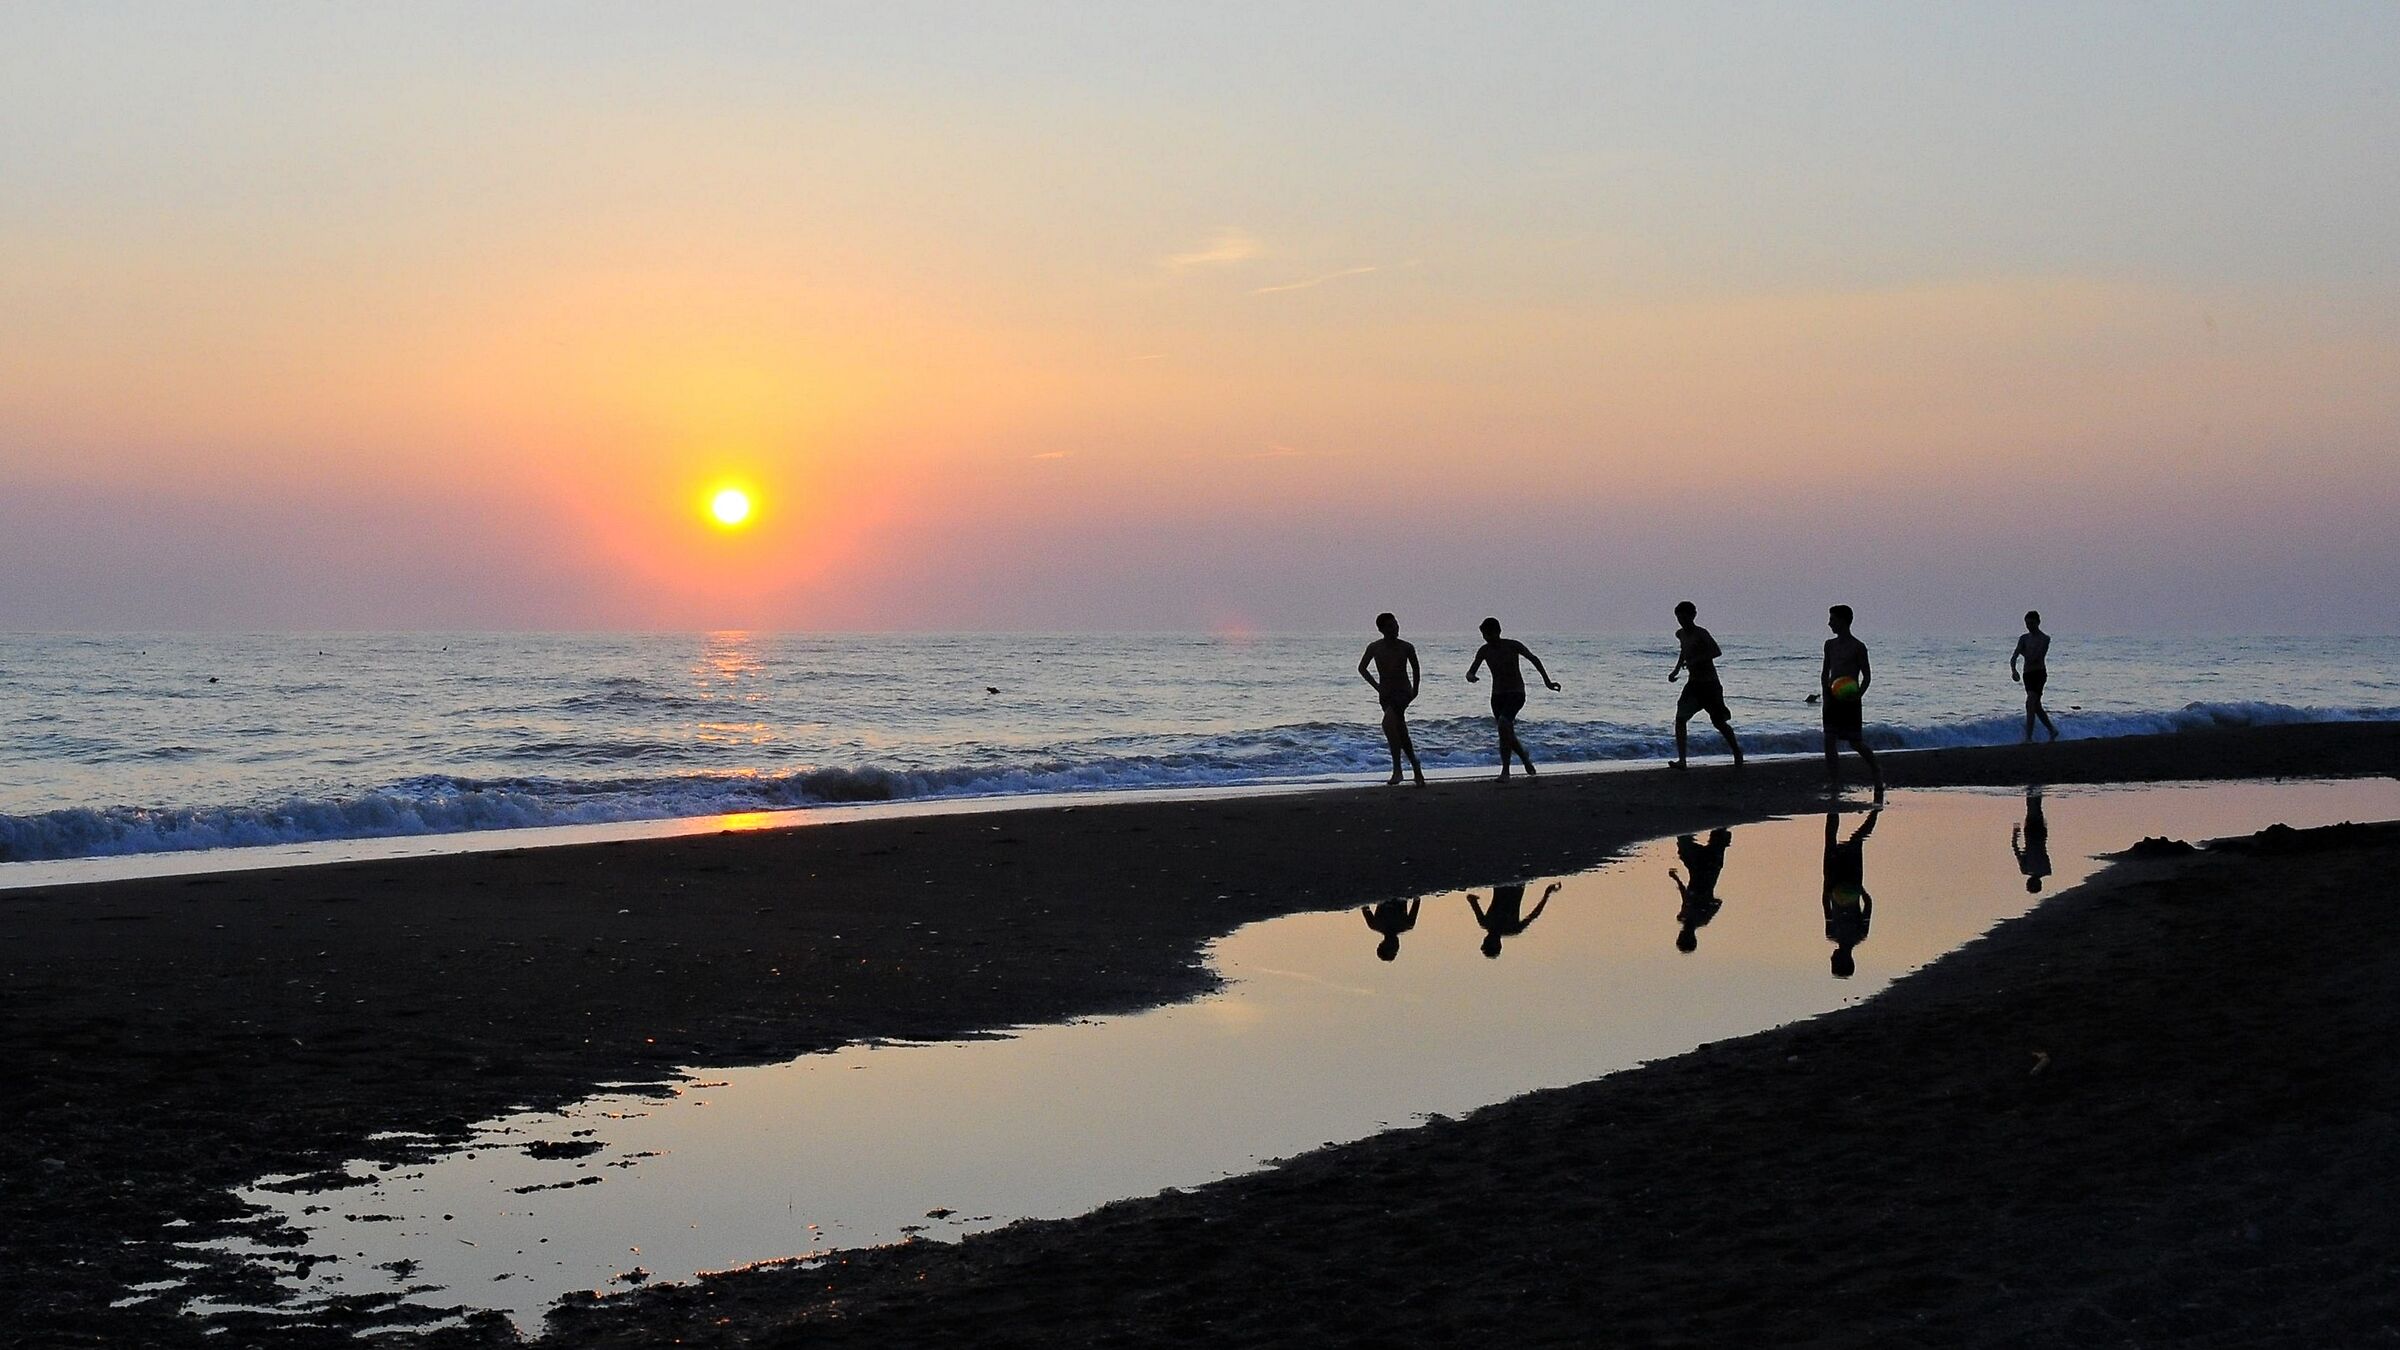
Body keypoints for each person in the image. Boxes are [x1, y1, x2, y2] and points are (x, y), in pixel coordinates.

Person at [1465, 617, 1559, 780]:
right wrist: (1471, 676)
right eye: (1484, 635)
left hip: (1516, 692)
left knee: (1503, 723)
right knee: (1505, 732)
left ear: (1498, 632)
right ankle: (1522, 760)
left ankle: (1507, 771)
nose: (1487, 638)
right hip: (1497, 695)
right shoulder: (1484, 650)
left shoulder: (1512, 645)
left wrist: (1547, 681)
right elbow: (1471, 670)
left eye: (1489, 634)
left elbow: (1533, 659)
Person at [1667, 601, 1744, 770]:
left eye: (1685, 617)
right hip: (1693, 684)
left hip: (1710, 684)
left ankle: (1737, 752)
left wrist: (1696, 659)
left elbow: (1716, 651)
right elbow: (1683, 651)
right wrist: (1676, 670)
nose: (1682, 621)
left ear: (1693, 616)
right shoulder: (1680, 634)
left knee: (1719, 722)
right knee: (1680, 718)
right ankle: (1682, 760)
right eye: (1679, 617)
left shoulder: (1701, 633)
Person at [1820, 605, 1884, 801]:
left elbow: (1866, 676)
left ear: (1843, 621)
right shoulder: (1829, 645)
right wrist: (1825, 693)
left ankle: (1877, 772)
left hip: (1850, 700)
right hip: (1831, 699)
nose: (1829, 623)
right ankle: (1835, 781)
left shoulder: (1858, 647)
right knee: (1829, 741)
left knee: (1855, 742)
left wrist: (1858, 695)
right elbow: (1825, 672)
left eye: (1833, 619)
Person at [1356, 613, 1427, 787]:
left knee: (1388, 724)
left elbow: (1416, 668)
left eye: (1395, 624)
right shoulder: (1374, 647)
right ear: (1381, 629)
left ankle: (1397, 769)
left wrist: (1415, 689)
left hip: (1403, 692)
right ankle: (1416, 767)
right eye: (1390, 626)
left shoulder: (1406, 647)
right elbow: (1362, 668)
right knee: (1401, 731)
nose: (1394, 628)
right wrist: (1377, 686)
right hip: (1385, 694)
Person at [1822, 807, 1879, 978]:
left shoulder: (1860, 935)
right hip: (1837, 882)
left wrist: (1859, 888)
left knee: (1856, 840)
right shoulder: (1833, 933)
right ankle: (1834, 807)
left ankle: (1875, 812)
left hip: (1852, 882)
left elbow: (1868, 903)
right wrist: (1828, 887)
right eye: (1834, 962)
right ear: (1843, 960)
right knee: (1833, 840)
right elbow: (1825, 902)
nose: (1831, 959)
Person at [1667, 828, 1732, 953]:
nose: (1683, 934)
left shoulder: (1686, 917)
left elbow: (1685, 897)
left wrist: (1676, 879)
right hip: (1708, 869)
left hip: (1701, 869)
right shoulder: (1700, 918)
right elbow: (1717, 903)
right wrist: (1704, 900)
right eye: (1685, 936)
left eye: (1682, 936)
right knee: (1717, 835)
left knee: (1684, 842)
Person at [1467, 881, 1559, 959]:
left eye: (1486, 942)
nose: (1487, 939)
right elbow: (1471, 899)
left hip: (1514, 885)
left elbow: (1534, 915)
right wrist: (1547, 894)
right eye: (1488, 942)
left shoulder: (1511, 929)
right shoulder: (1487, 923)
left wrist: (1547, 894)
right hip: (1505, 884)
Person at [2010, 610, 2059, 743]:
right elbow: (2014, 655)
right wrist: (2014, 670)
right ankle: (2052, 730)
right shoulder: (2024, 638)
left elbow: (2036, 657)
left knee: (2030, 703)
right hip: (2027, 675)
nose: (2029, 626)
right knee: (2035, 706)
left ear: (2038, 622)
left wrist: (2024, 653)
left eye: (2031, 623)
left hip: (2039, 673)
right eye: (2027, 623)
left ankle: (2028, 737)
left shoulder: (2045, 639)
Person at [2012, 788, 2053, 893]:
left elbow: (2044, 855)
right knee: (2032, 809)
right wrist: (2015, 833)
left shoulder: (2047, 870)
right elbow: (2016, 849)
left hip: (2041, 836)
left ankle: (2036, 790)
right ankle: (2033, 789)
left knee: (2037, 810)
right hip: (2031, 835)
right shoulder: (2026, 870)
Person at [1361, 898, 1421, 962]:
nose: (1396, 947)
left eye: (1392, 949)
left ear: (1382, 945)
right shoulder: (1408, 924)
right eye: (1396, 951)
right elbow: (1417, 899)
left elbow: (1363, 903)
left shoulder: (1374, 924)